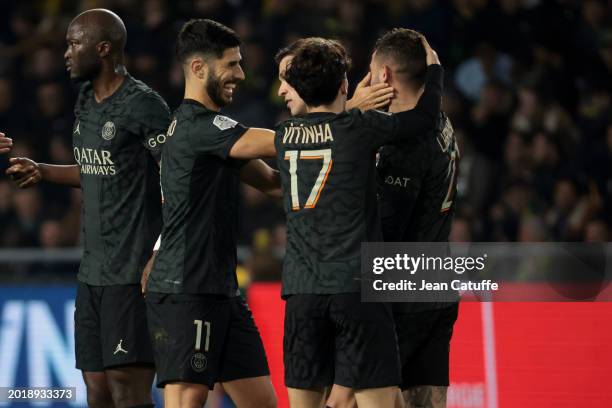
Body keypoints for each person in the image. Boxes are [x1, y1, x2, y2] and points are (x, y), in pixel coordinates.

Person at [5, 9, 171, 408]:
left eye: (73, 44)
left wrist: (160, 251)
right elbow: (94, 168)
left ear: (103, 48)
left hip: (131, 274)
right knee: (96, 393)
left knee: (127, 392)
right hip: (92, 272)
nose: (66, 53)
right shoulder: (85, 100)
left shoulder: (144, 105)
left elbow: (176, 179)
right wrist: (41, 170)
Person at [274, 36, 443, 408]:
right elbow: (424, 119)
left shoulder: (285, 135)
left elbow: (323, 125)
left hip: (302, 293)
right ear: (345, 85)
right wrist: (434, 70)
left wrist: (348, 103)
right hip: (355, 290)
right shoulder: (359, 128)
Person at [144, 19, 278, 408]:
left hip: (220, 291)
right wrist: (339, 120)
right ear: (199, 68)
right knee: (187, 400)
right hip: (187, 290)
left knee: (261, 403)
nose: (241, 73)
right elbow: (279, 142)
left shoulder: (213, 138)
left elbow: (271, 182)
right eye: (232, 64)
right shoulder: (198, 127)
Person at [373, 29, 460, 408]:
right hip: (439, 281)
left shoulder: (402, 143)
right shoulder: (438, 120)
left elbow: (390, 228)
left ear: (386, 76)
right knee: (427, 400)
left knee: (367, 397)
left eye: (372, 70)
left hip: (402, 292)